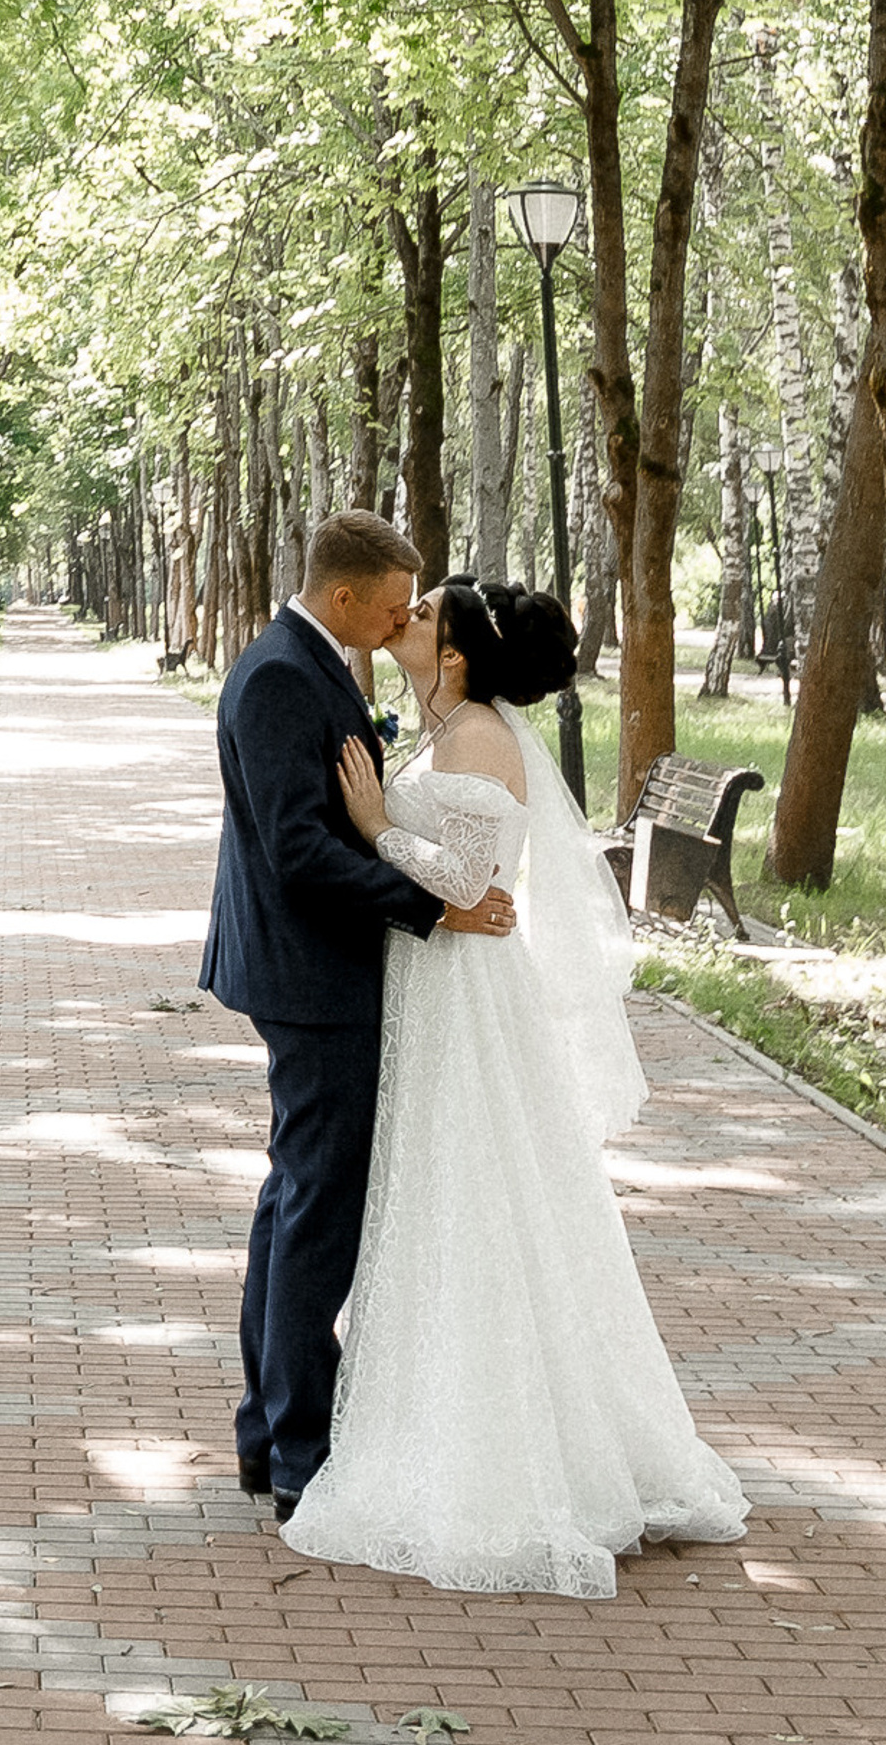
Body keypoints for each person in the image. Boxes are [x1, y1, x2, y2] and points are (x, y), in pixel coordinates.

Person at [283, 575, 748, 1598]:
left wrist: (373, 827)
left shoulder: (481, 738)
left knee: (474, 1195)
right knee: (443, 1198)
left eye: (422, 615)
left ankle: (509, 1461)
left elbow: (475, 888)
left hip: (466, 994)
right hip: (434, 983)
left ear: (453, 655)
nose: (403, 620)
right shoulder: (449, 722)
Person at [200, 511, 517, 1518]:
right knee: (316, 1214)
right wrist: (435, 903)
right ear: (344, 596)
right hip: (312, 979)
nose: (400, 618)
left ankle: (268, 1432)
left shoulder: (310, 658)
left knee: (293, 1201)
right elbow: (297, 851)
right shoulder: (285, 674)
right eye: (391, 603)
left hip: (312, 973)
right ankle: (298, 1450)